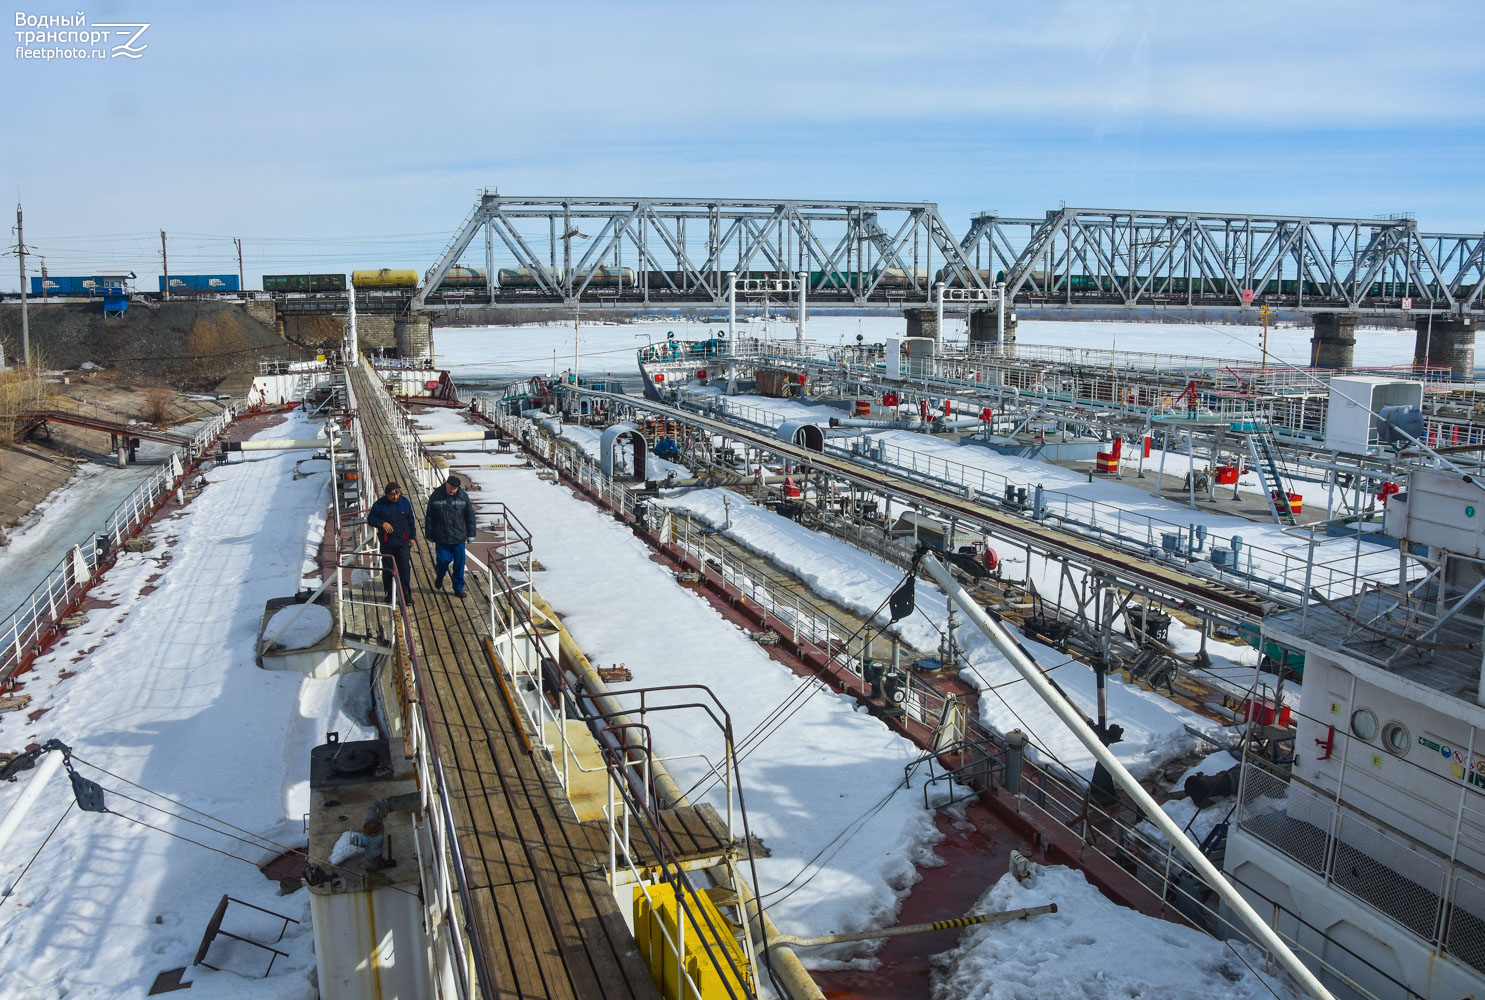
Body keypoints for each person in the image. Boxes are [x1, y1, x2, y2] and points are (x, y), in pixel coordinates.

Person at [425, 474, 478, 597]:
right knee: (443, 560)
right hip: (441, 536)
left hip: (459, 536)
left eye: (454, 489)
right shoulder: (436, 496)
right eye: (450, 488)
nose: (452, 491)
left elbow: (470, 516)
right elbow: (429, 517)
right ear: (446, 484)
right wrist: (429, 533)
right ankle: (440, 575)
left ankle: (458, 587)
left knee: (459, 563)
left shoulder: (463, 497)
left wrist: (471, 534)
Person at [368, 481, 416, 607]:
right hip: (387, 542)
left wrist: (412, 537)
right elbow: (371, 519)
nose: (395, 497)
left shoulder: (404, 502)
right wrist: (382, 523)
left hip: (403, 541)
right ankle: (389, 593)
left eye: (397, 494)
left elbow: (411, 520)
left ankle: (406, 594)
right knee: (388, 568)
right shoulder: (379, 505)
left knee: (404, 567)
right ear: (386, 495)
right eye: (392, 495)